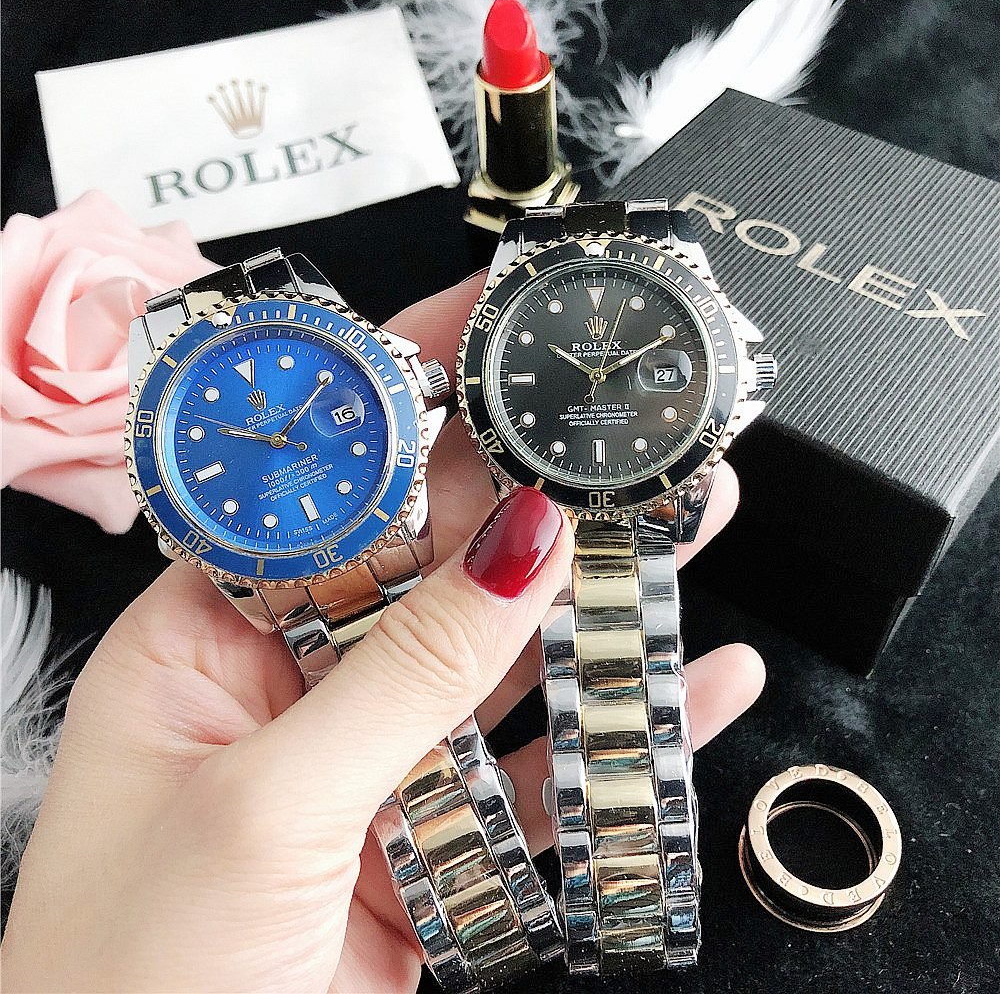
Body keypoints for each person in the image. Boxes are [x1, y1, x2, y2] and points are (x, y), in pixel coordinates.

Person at [1, 275, 765, 992]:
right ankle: (495, 938)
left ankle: (517, 937)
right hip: (296, 579)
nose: (279, 441)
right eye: (250, 436)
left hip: (360, 533)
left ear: (411, 382)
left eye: (292, 423)